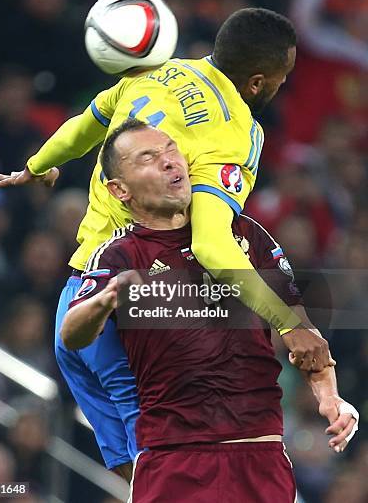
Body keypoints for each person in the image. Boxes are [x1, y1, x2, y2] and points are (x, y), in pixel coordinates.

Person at [0, 7, 331, 368]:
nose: (284, 85)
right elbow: (211, 245)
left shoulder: (160, 70)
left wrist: (36, 166)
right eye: (284, 77)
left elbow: (86, 124)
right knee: (176, 424)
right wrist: (289, 324)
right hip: (135, 317)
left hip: (77, 301)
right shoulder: (237, 134)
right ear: (257, 83)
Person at [60, 120, 358, 501]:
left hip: (260, 457)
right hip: (174, 460)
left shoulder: (246, 235)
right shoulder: (120, 254)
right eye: (148, 158)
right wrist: (105, 300)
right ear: (120, 190)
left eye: (171, 149)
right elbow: (72, 334)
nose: (169, 162)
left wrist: (329, 396)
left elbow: (302, 331)